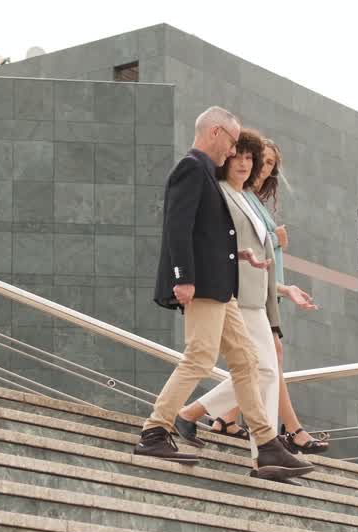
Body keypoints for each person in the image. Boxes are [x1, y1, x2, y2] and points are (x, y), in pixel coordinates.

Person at [133, 106, 314, 482]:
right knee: (199, 358)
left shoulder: (204, 173)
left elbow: (207, 233)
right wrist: (181, 277)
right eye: (232, 143)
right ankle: (155, 430)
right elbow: (177, 228)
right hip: (202, 287)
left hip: (221, 286)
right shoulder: (191, 168)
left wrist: (240, 254)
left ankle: (266, 447)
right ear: (215, 132)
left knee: (247, 363)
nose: (233, 152)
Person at [179, 136, 331, 455]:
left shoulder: (248, 199)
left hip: (258, 299)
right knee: (258, 368)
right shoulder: (220, 194)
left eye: (253, 159)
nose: (246, 164)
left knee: (265, 371)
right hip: (232, 296)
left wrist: (282, 289)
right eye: (239, 157)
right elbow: (216, 245)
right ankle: (265, 447)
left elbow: (258, 257)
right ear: (227, 158)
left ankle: (195, 416)